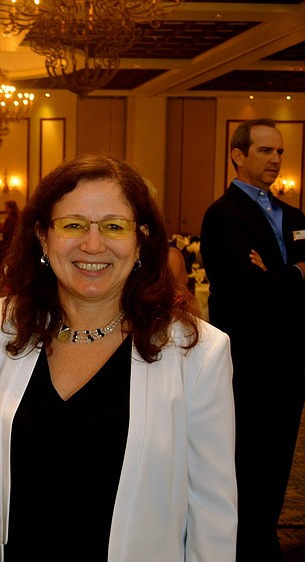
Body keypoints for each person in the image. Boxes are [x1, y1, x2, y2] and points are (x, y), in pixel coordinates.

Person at [0, 154, 236, 561]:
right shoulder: (3, 327)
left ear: (141, 241)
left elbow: (212, 513)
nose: (93, 244)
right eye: (73, 225)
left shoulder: (197, 352)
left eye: (114, 227)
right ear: (42, 238)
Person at [200, 118, 305, 562]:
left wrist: (275, 276)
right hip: (248, 359)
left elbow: (270, 284)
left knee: (279, 455)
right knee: (245, 459)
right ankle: (240, 547)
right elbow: (243, 287)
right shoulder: (223, 215)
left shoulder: (296, 217)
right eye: (265, 151)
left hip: (292, 357)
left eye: (279, 152)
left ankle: (264, 540)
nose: (276, 160)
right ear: (238, 155)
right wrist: (294, 275)